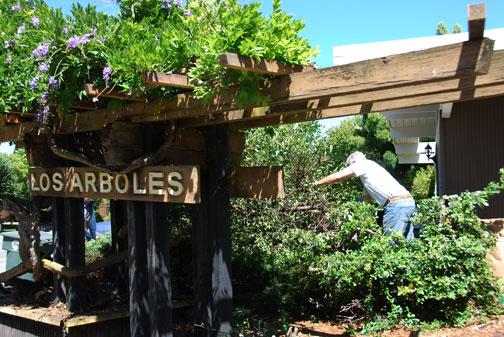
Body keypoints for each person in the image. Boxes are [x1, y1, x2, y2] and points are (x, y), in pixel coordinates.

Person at [314, 151, 415, 241]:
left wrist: (317, 183)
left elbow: (338, 177)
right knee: (406, 243)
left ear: (353, 162)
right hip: (408, 201)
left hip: (396, 205)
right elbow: (366, 204)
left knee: (390, 244)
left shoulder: (361, 164)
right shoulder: (371, 173)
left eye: (350, 167)